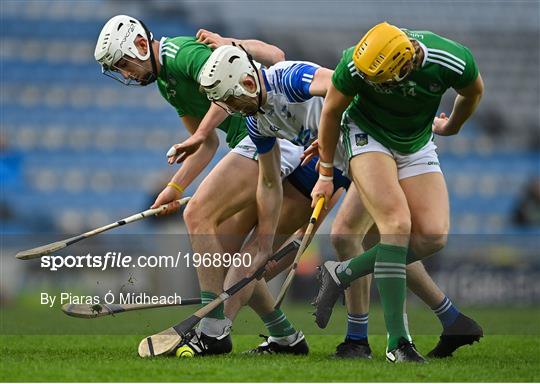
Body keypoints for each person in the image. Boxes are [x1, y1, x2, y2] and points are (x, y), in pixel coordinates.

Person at [193, 43, 482, 360]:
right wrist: (265, 241)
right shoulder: (255, 119)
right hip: (337, 158)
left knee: (359, 237)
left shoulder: (288, 78)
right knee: (374, 239)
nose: (233, 109)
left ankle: (366, 339)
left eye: (233, 100)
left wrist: (328, 136)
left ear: (248, 82)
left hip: (367, 144)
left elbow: (339, 86)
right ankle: (448, 320)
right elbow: (270, 180)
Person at [94, 15, 317, 356]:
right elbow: (207, 143)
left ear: (141, 45)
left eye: (124, 65)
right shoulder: (167, 84)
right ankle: (286, 337)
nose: (126, 74)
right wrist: (174, 187)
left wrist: (197, 138)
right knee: (226, 265)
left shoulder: (183, 54)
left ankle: (212, 332)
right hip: (254, 145)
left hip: (270, 134)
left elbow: (225, 90)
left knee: (198, 214)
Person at [310, 22, 484, 362]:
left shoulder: (451, 59)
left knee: (433, 236)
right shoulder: (355, 64)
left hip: (416, 143)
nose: (371, 85)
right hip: (366, 134)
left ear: (406, 65)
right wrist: (325, 173)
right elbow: (331, 111)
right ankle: (398, 343)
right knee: (395, 224)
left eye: (381, 81)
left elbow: (474, 91)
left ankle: (342, 272)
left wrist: (452, 126)